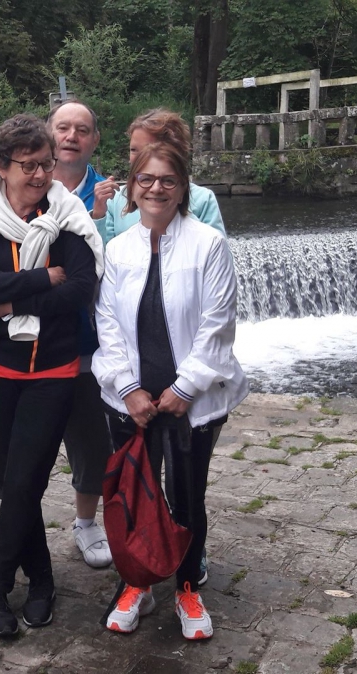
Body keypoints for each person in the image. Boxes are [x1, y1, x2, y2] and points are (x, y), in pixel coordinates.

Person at [0, 114, 102, 637]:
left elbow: (80, 287)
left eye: (46, 164)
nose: (40, 176)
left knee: (25, 475)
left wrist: (9, 298)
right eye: (28, 166)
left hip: (53, 368)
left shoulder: (69, 213)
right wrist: (39, 277)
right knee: (16, 479)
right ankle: (41, 580)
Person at [93, 142, 248, 641]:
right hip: (132, 402)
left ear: (182, 189)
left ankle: (186, 585)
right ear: (132, 189)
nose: (156, 188)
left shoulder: (208, 244)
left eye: (167, 180)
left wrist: (186, 386)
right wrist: (129, 387)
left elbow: (218, 322)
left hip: (191, 402)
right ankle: (136, 582)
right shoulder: (117, 250)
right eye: (146, 179)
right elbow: (107, 325)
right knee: (136, 494)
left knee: (187, 495)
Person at [46, 100, 114, 568]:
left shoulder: (116, 196)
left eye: (82, 129)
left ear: (93, 140)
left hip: (96, 345)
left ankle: (87, 524)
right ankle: (19, 528)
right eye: (63, 128)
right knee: (26, 444)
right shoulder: (27, 186)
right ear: (49, 134)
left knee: (92, 443)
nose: (72, 136)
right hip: (37, 344)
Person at [92, 108, 226, 244]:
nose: (138, 158)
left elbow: (217, 251)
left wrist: (176, 209)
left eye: (148, 149)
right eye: (133, 150)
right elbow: (102, 257)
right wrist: (98, 215)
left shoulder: (202, 199)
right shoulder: (115, 199)